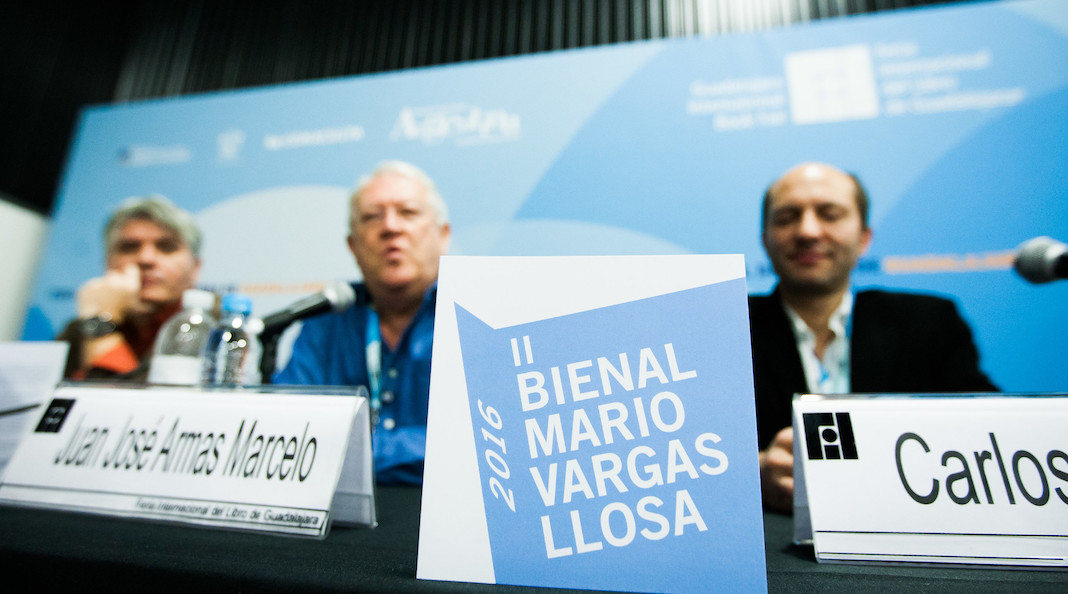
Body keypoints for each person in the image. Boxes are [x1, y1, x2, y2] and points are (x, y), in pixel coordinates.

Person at [750, 162, 996, 513]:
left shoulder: (930, 322)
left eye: (829, 214)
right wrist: (752, 473)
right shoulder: (725, 330)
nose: (807, 231)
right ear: (766, 240)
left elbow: (986, 430)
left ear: (864, 238)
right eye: (787, 217)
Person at [274, 161, 451, 485]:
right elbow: (290, 434)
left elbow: (477, 450)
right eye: (372, 216)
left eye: (408, 212)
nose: (390, 227)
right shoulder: (325, 321)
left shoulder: (474, 317)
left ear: (443, 235)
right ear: (353, 246)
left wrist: (357, 452)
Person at [61, 195, 202, 381]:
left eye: (166, 247)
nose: (145, 259)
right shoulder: (81, 326)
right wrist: (101, 317)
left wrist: (100, 328)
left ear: (195, 268)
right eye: (129, 247)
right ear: (108, 263)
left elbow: (125, 404)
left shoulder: (211, 328)